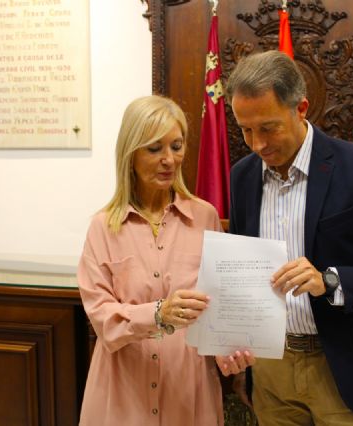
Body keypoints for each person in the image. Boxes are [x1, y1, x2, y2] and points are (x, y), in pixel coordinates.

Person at [226, 51, 353, 425]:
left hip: (343, 369)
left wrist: (329, 281)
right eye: (245, 130)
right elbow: (242, 272)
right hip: (270, 370)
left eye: (268, 128)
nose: (257, 144)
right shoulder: (243, 176)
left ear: (301, 108)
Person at [77, 95, 254, 426]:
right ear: (130, 154)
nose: (169, 160)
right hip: (122, 389)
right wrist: (158, 314)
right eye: (154, 148)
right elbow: (101, 317)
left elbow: (221, 305)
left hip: (188, 388)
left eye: (176, 146)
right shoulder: (102, 227)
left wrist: (228, 349)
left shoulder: (205, 217)